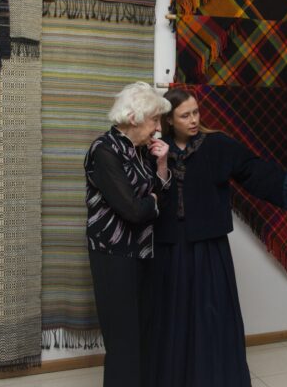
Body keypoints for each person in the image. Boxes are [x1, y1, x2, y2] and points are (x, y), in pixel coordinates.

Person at [147, 88, 287, 387]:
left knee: (211, 318)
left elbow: (257, 171)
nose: (194, 120)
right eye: (185, 115)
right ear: (169, 120)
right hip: (170, 248)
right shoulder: (154, 149)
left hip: (208, 249)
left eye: (196, 112)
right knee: (173, 317)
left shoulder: (218, 145)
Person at [83, 82, 172, 387]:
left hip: (142, 251)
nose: (158, 128)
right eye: (155, 120)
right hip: (114, 256)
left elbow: (157, 195)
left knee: (143, 334)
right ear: (134, 117)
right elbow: (133, 210)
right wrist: (153, 201)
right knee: (123, 341)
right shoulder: (104, 151)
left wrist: (162, 165)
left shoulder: (140, 150)